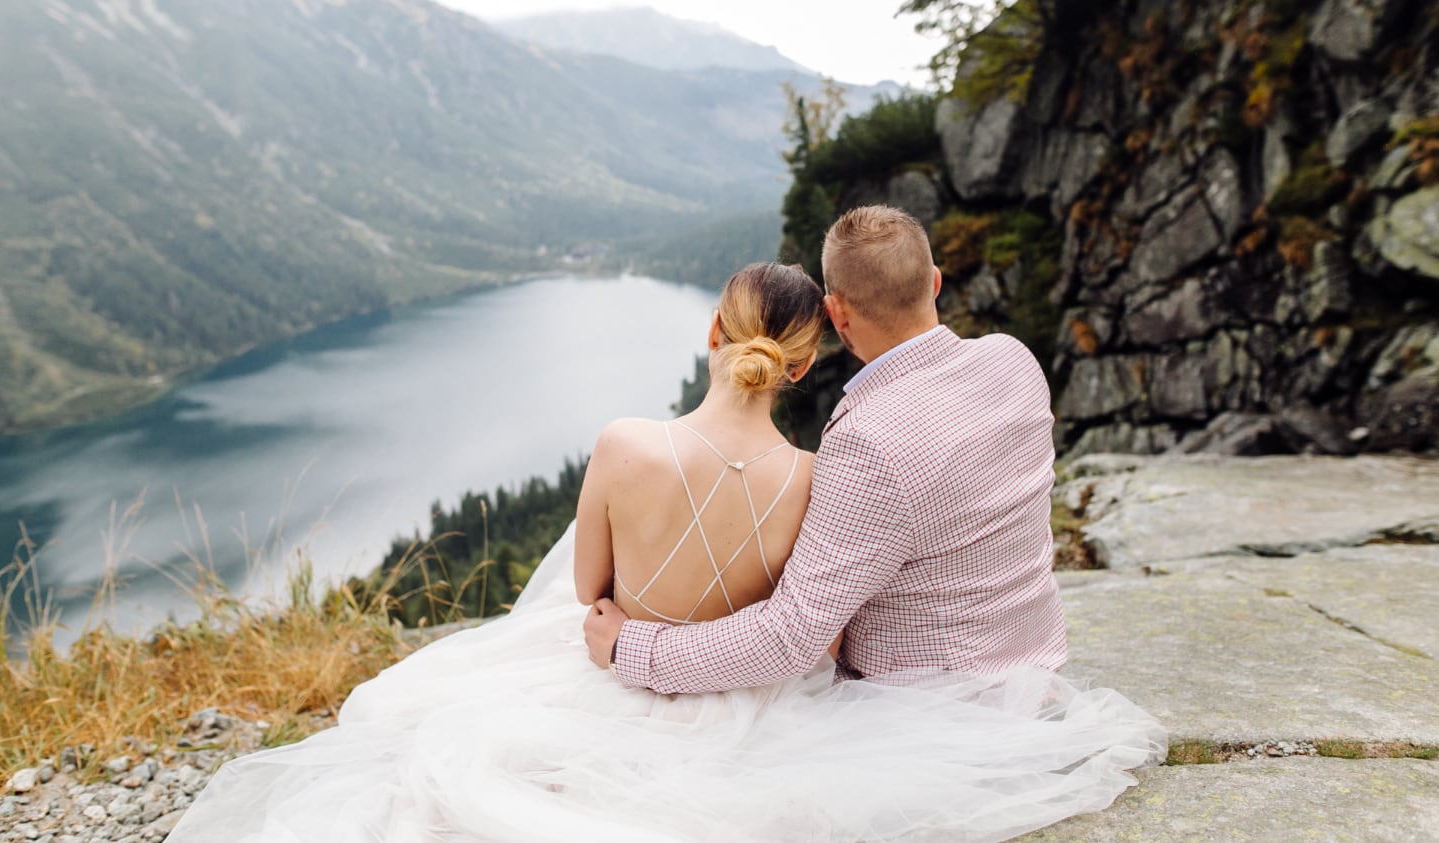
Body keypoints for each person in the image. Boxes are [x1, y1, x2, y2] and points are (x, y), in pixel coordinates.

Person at [167, 248, 1163, 843]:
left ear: (712, 337)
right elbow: (806, 633)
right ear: (806, 360)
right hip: (750, 699)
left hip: (622, 666)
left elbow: (589, 594)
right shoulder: (819, 475)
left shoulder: (623, 445)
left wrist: (622, 640)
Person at [586, 204, 1068, 691]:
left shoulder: (867, 442)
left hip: (931, 704)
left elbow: (790, 638)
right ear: (935, 282)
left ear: (835, 314)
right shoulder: (1014, 359)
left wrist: (630, 648)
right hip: (1035, 662)